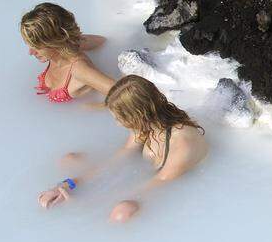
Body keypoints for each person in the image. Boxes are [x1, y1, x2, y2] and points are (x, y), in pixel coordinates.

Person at [37, 75, 209, 222]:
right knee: (69, 159)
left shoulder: (183, 145)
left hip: (170, 193)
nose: (118, 123)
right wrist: (70, 184)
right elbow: (120, 157)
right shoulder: (145, 126)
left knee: (122, 211)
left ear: (139, 115)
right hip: (150, 178)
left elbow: (158, 184)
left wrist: (88, 203)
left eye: (119, 118)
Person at [20, 3, 115, 102]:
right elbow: (102, 41)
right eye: (30, 45)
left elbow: (122, 95)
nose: (31, 52)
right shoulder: (68, 46)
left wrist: (99, 106)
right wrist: (111, 45)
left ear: (55, 42)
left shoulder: (80, 70)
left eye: (37, 47)